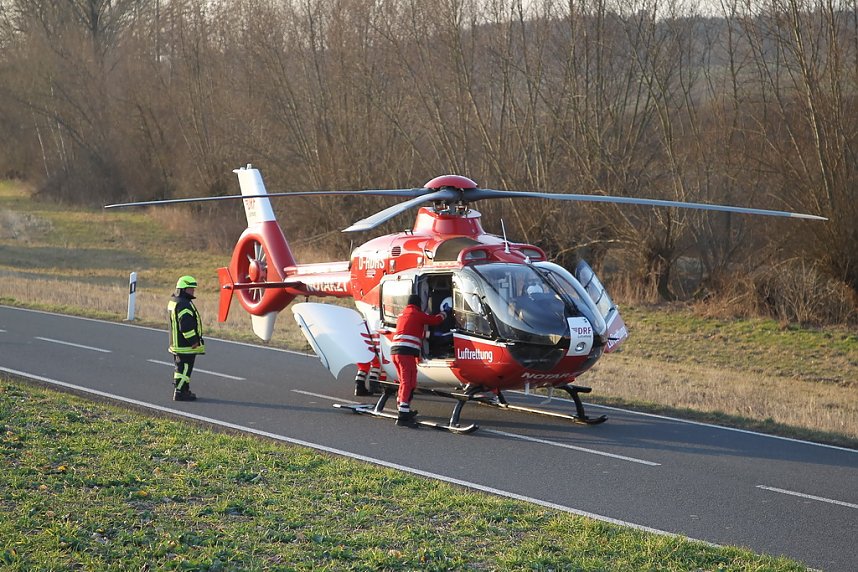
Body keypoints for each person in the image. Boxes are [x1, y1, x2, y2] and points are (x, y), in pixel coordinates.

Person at [390, 294, 447, 428]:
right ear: (418, 304)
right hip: (405, 353)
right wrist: (445, 313)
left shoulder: (402, 315)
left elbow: (414, 332)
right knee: (408, 381)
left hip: (395, 352)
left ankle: (402, 406)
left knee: (405, 381)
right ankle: (403, 416)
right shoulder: (416, 314)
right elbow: (435, 320)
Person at [167, 275, 206, 401]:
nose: (193, 291)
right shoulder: (184, 305)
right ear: (183, 289)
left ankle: (183, 390)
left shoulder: (175, 301)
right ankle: (180, 392)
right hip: (185, 345)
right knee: (184, 369)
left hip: (177, 343)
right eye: (190, 289)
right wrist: (194, 341)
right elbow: (186, 326)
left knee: (180, 368)